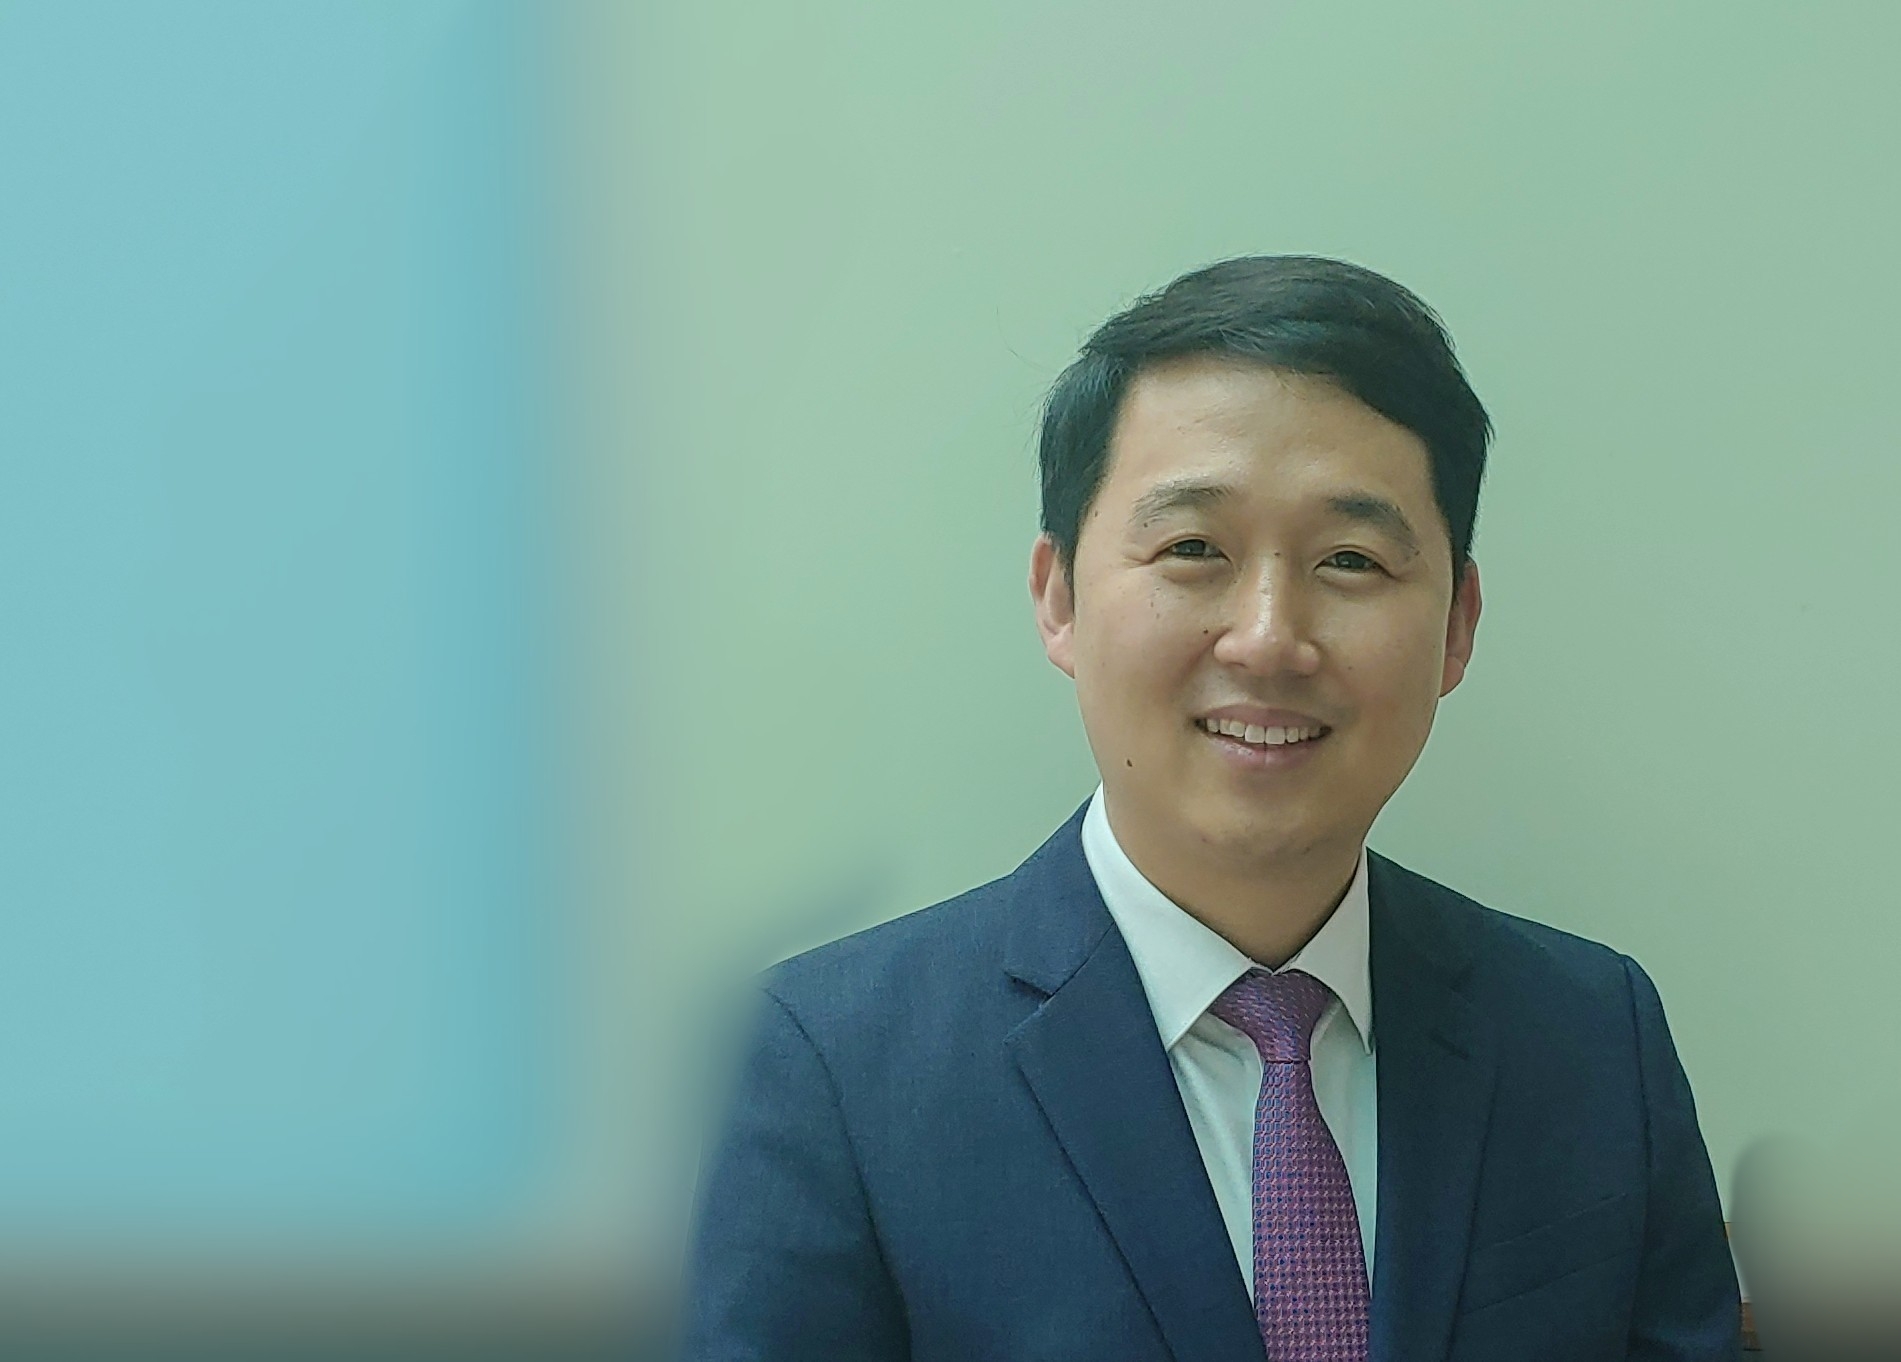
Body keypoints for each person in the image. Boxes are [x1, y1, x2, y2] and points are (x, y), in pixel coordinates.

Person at [679, 256, 1742, 1361]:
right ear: (1058, 596)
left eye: (1349, 559)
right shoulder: (834, 1065)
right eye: (1193, 549)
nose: (1268, 638)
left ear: (1456, 627)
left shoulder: (1591, 1036)